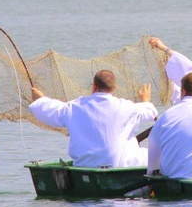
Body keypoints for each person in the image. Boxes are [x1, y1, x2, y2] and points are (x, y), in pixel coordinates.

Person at [29, 70, 158, 167]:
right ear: (115, 88)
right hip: (117, 166)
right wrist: (145, 100)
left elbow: (50, 111)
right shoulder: (126, 107)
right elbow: (150, 112)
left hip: (84, 165)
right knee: (152, 155)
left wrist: (40, 99)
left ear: (94, 86)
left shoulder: (74, 107)